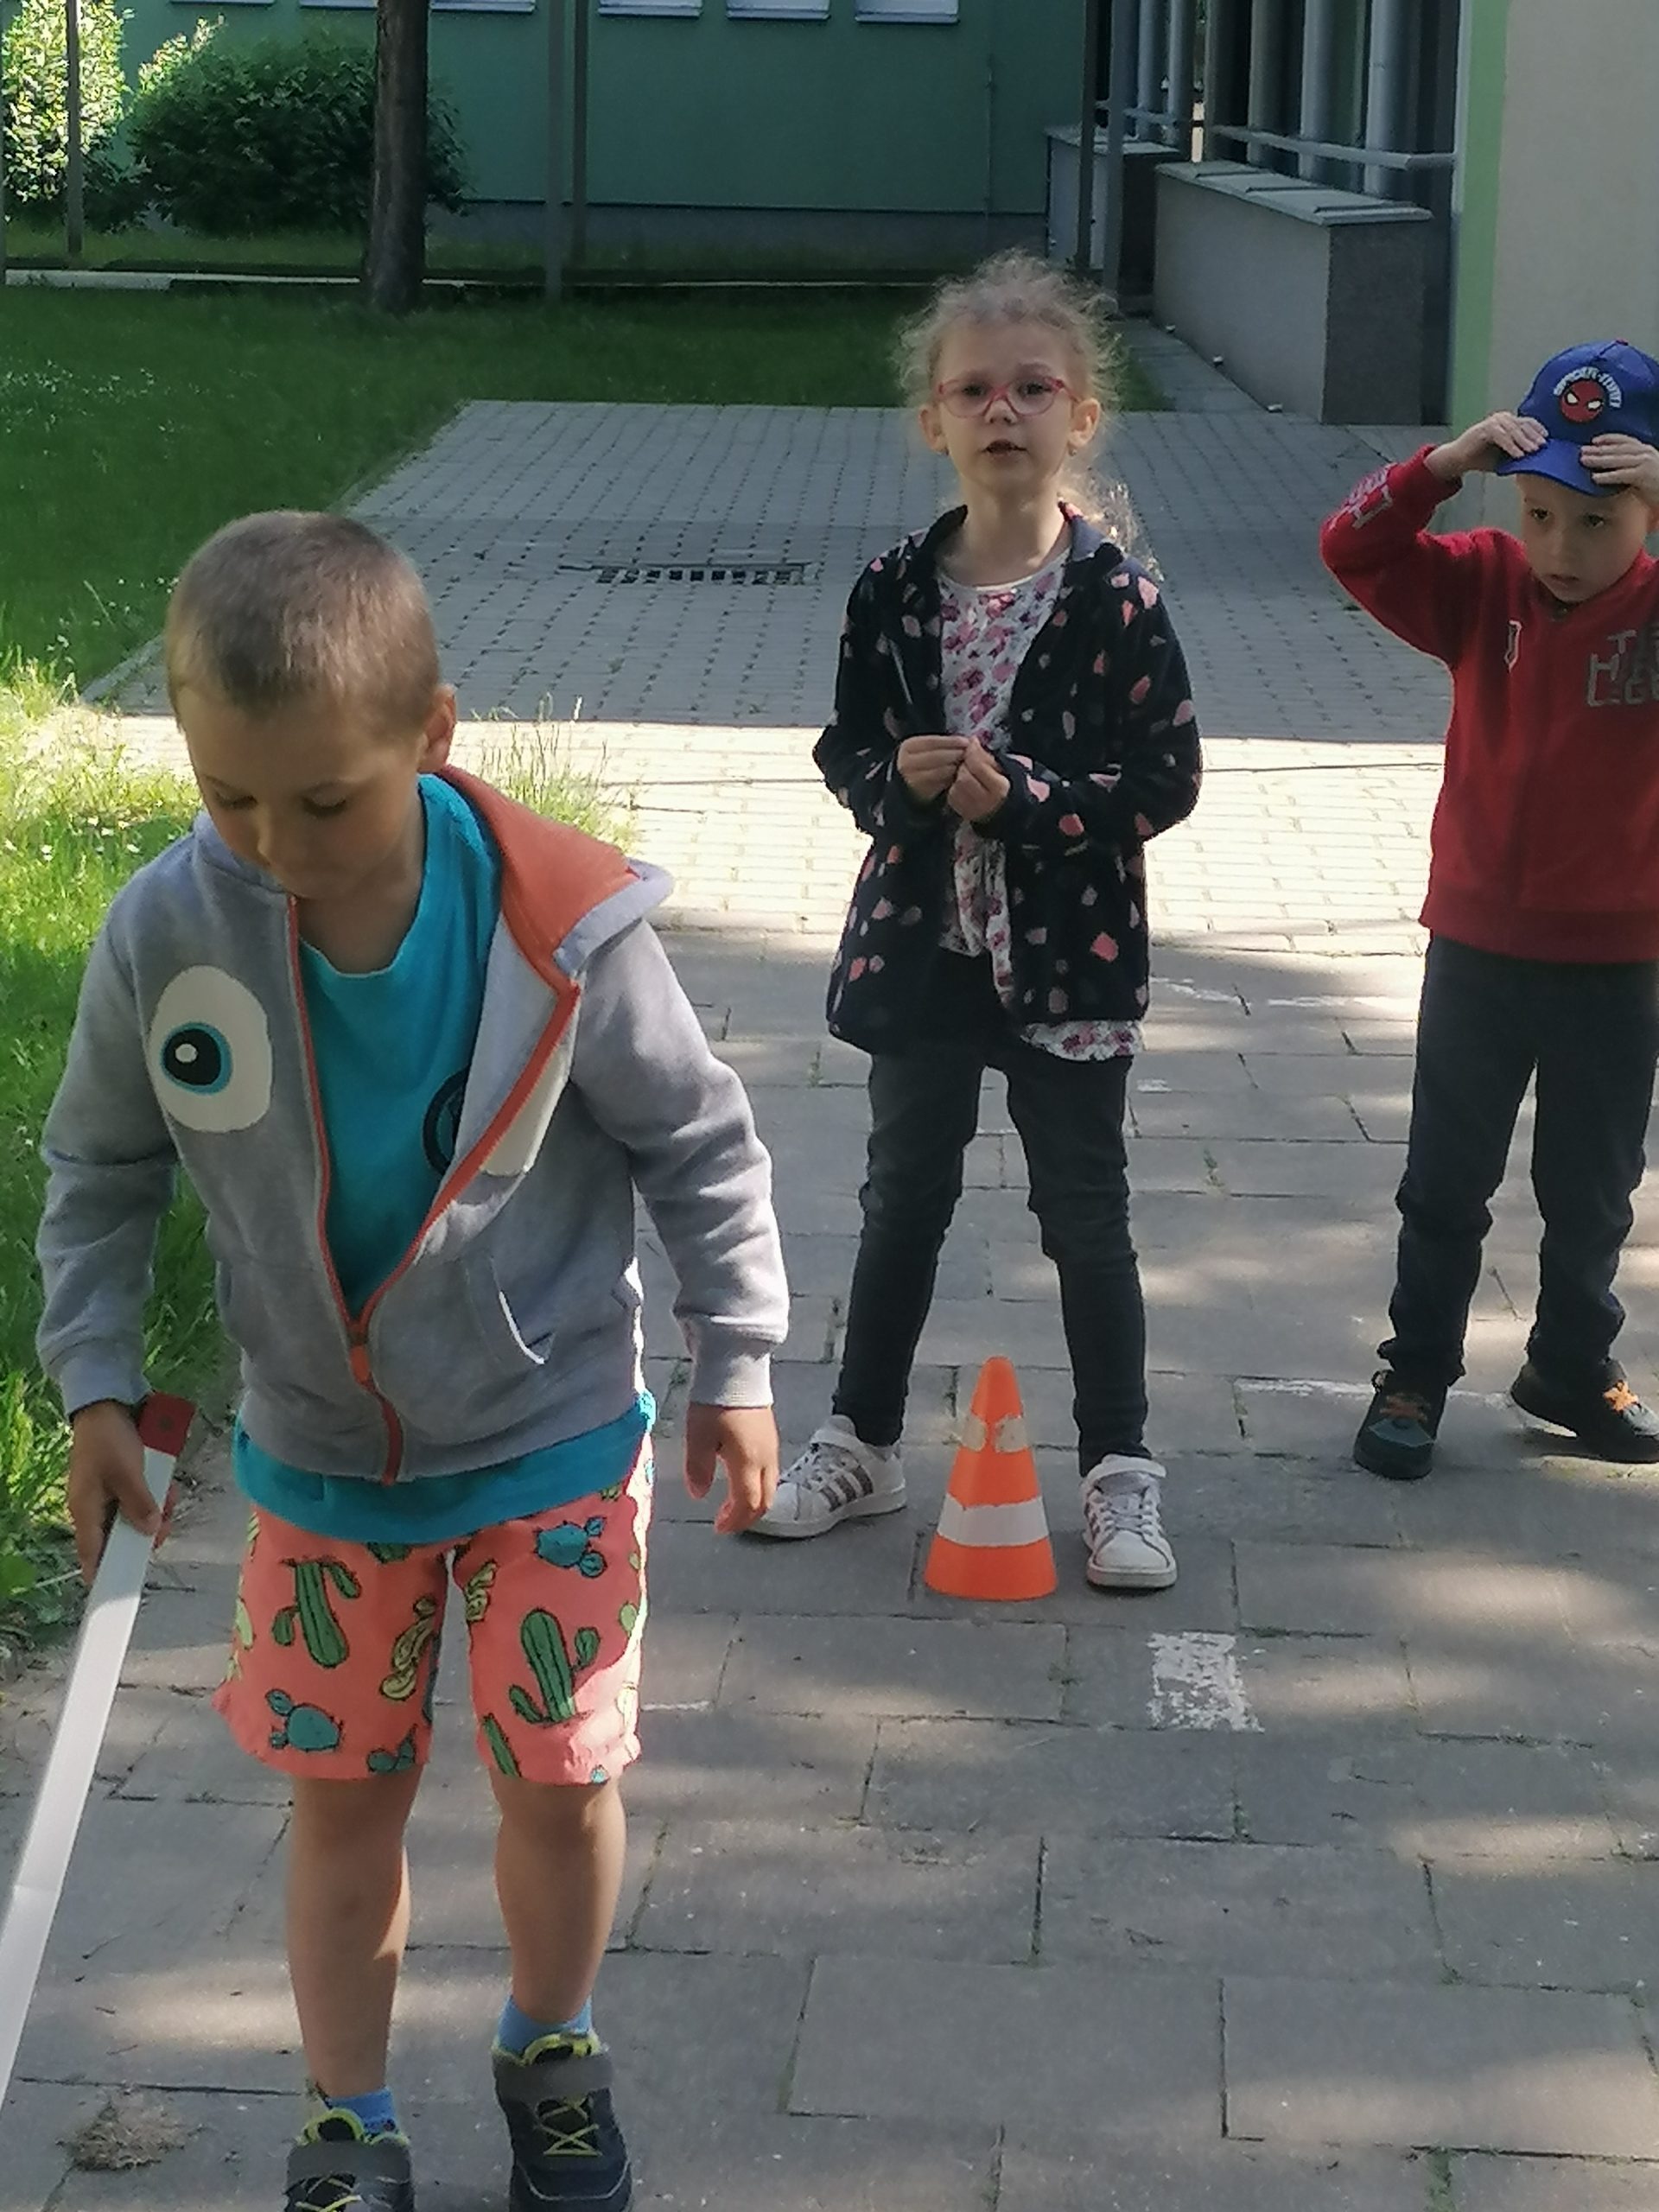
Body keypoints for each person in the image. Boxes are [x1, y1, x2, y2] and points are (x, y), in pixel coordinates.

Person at [35, 512, 789, 2212]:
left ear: (434, 733)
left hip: (551, 1437)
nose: (271, 845)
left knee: (558, 1779)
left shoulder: (561, 928)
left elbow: (699, 1139)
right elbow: (100, 1166)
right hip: (322, 1460)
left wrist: (738, 1356)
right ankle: (348, 2117)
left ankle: (552, 2046)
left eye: (324, 802)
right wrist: (96, 1384)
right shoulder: (171, 931)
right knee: (344, 1802)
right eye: (227, 796)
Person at [752, 252, 1201, 1590]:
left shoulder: (1118, 599)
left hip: (1071, 961)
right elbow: (845, 750)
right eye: (974, 390)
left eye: (1033, 388)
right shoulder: (891, 589)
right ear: (933, 421)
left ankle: (1118, 1471)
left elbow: (1165, 779)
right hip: (926, 953)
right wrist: (892, 781)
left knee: (1086, 1215)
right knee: (902, 1201)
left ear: (1082, 417)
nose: (1004, 409)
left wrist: (1035, 804)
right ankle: (864, 1440)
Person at [1321, 340, 1659, 1480]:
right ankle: (1416, 1371)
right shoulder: (1480, 583)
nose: (1562, 548)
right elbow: (1350, 545)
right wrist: (1440, 467)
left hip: (1619, 960)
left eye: (1599, 521)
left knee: (1594, 1190)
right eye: (1541, 513)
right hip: (1477, 949)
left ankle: (1571, 1364)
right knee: (1445, 1182)